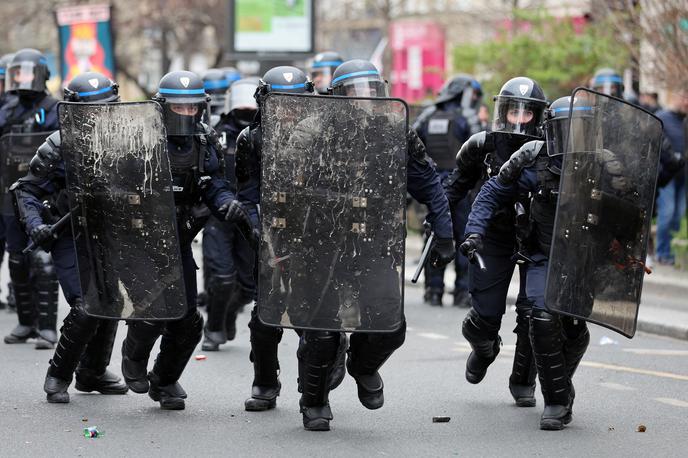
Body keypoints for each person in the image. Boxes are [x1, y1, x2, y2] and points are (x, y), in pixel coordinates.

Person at [245, 59, 453, 431]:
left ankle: (363, 365)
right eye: (355, 91)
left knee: (389, 324)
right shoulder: (313, 128)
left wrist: (445, 229)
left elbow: (427, 180)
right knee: (321, 331)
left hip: (374, 241)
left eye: (371, 90)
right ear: (338, 96)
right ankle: (315, 403)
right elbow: (284, 187)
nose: (364, 99)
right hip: (318, 240)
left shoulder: (395, 129)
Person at [120, 70, 252, 410]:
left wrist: (226, 204)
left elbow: (214, 183)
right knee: (153, 311)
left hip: (178, 238)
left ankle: (164, 380)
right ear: (163, 107)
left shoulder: (206, 140)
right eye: (179, 108)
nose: (187, 114)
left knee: (189, 321)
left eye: (193, 108)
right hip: (141, 240)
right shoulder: (140, 137)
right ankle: (133, 358)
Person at [461, 96, 592, 430]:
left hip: (581, 259)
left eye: (582, 131)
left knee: (575, 329)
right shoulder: (534, 160)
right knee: (540, 313)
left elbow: (626, 213)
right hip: (541, 254)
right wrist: (474, 232)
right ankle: (558, 402)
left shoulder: (604, 166)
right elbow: (491, 192)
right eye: (567, 131)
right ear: (551, 130)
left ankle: (558, 382)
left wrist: (625, 254)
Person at [13, 72, 130, 403]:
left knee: (112, 301)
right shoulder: (57, 145)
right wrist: (35, 223)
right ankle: (58, 374)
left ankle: (92, 372)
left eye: (105, 109)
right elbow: (26, 191)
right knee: (85, 304)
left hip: (110, 232)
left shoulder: (130, 140)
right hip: (70, 232)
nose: (98, 117)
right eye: (90, 111)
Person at [445, 76, 547, 407]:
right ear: (501, 111)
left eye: (527, 112)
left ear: (539, 116)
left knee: (534, 312)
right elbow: (454, 188)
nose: (518, 119)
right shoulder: (481, 144)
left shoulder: (549, 149)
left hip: (535, 238)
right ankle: (485, 346)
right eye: (512, 110)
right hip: (492, 234)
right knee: (484, 315)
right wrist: (441, 227)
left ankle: (523, 380)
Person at [235, 66, 314, 415]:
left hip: (316, 234)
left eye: (295, 101)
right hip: (273, 234)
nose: (288, 109)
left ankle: (315, 384)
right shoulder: (250, 140)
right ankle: (265, 383)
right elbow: (248, 194)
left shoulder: (325, 135)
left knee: (314, 315)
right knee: (264, 317)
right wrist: (256, 230)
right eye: (280, 102)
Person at [0, 49, 59, 349]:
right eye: (17, 73)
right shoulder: (7, 109)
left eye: (27, 73)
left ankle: (47, 328)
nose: (22, 79)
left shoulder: (54, 107)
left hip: (42, 193)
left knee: (43, 260)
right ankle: (26, 321)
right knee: (17, 258)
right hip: (11, 193)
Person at [201, 77, 260, 351]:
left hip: (249, 213)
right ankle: (213, 328)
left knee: (249, 286)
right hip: (221, 213)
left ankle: (228, 314)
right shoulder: (217, 132)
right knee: (222, 278)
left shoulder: (264, 133)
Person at [413, 74, 481, 306]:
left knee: (434, 235)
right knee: (465, 237)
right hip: (461, 188)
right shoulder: (467, 116)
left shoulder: (427, 115)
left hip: (434, 187)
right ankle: (463, 292)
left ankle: (433, 290)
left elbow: (411, 145)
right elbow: (479, 150)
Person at [654, 90, 688, 265]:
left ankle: (670, 252)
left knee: (677, 215)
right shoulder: (661, 118)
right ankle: (662, 253)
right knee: (667, 213)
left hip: (683, 176)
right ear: (679, 97)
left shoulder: (685, 121)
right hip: (667, 176)